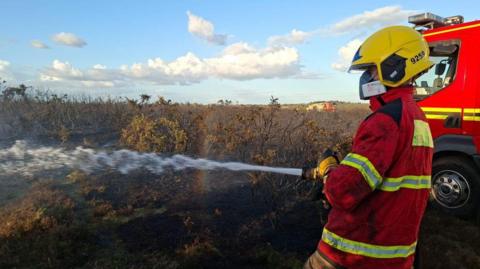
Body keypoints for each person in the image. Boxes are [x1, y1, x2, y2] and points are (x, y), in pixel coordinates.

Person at [302, 25, 434, 269]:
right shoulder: (416, 116)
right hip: (395, 254)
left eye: (370, 70)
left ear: (394, 68)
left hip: (352, 252)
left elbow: (345, 192)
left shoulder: (385, 121)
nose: (366, 78)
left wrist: (330, 171)